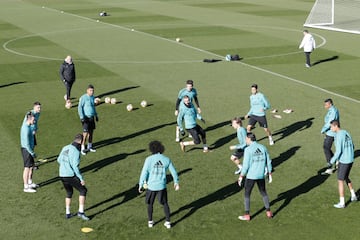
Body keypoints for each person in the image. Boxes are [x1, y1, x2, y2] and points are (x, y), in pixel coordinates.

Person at [138, 140, 179, 229]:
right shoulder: (166, 159)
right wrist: (176, 182)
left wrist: (141, 185)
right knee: (165, 203)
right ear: (161, 149)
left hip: (151, 187)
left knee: (150, 204)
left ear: (151, 149)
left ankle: (150, 222)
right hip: (162, 187)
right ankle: (168, 222)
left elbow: (144, 173)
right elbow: (174, 172)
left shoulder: (148, 159)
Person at [238, 132, 273, 221]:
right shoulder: (263, 147)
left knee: (247, 194)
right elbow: (268, 161)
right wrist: (269, 173)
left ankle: (247, 215)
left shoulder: (248, 149)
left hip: (251, 176)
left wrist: (241, 176)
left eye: (246, 139)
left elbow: (245, 165)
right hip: (261, 175)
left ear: (249, 139)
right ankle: (268, 212)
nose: (245, 140)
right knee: (263, 193)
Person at [57, 134, 89, 220]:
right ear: (81, 141)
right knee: (83, 190)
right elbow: (75, 167)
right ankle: (81, 212)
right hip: (69, 175)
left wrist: (65, 166)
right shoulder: (76, 152)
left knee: (69, 192)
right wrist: (81, 178)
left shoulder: (65, 147)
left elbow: (59, 160)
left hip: (61, 174)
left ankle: (68, 213)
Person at [328, 120, 357, 208]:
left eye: (331, 127)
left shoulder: (339, 135)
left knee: (340, 180)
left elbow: (338, 151)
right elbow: (353, 145)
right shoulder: (345, 132)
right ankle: (353, 195)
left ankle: (342, 203)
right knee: (346, 177)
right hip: (350, 159)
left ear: (336, 126)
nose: (331, 128)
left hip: (344, 161)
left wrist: (332, 161)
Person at [78, 84, 99, 155]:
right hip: (86, 118)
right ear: (87, 90)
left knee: (91, 133)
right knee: (85, 134)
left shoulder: (93, 97)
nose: (92, 92)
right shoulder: (83, 98)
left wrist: (96, 115)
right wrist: (82, 117)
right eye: (90, 90)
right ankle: (82, 148)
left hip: (91, 118)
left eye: (93, 91)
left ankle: (90, 147)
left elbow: (93, 107)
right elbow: (80, 108)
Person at [321, 98, 339, 175]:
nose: (325, 106)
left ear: (330, 104)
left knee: (326, 147)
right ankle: (335, 161)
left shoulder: (333, 111)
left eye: (326, 104)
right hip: (329, 132)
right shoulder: (331, 110)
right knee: (326, 147)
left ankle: (330, 166)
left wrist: (323, 129)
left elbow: (330, 122)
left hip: (332, 132)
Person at [20, 112, 38, 193]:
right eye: (33, 120)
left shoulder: (28, 125)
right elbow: (26, 144)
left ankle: (30, 183)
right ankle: (26, 187)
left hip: (29, 149)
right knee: (27, 168)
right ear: (29, 119)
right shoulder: (26, 129)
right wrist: (32, 153)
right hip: (27, 150)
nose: (34, 121)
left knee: (31, 167)